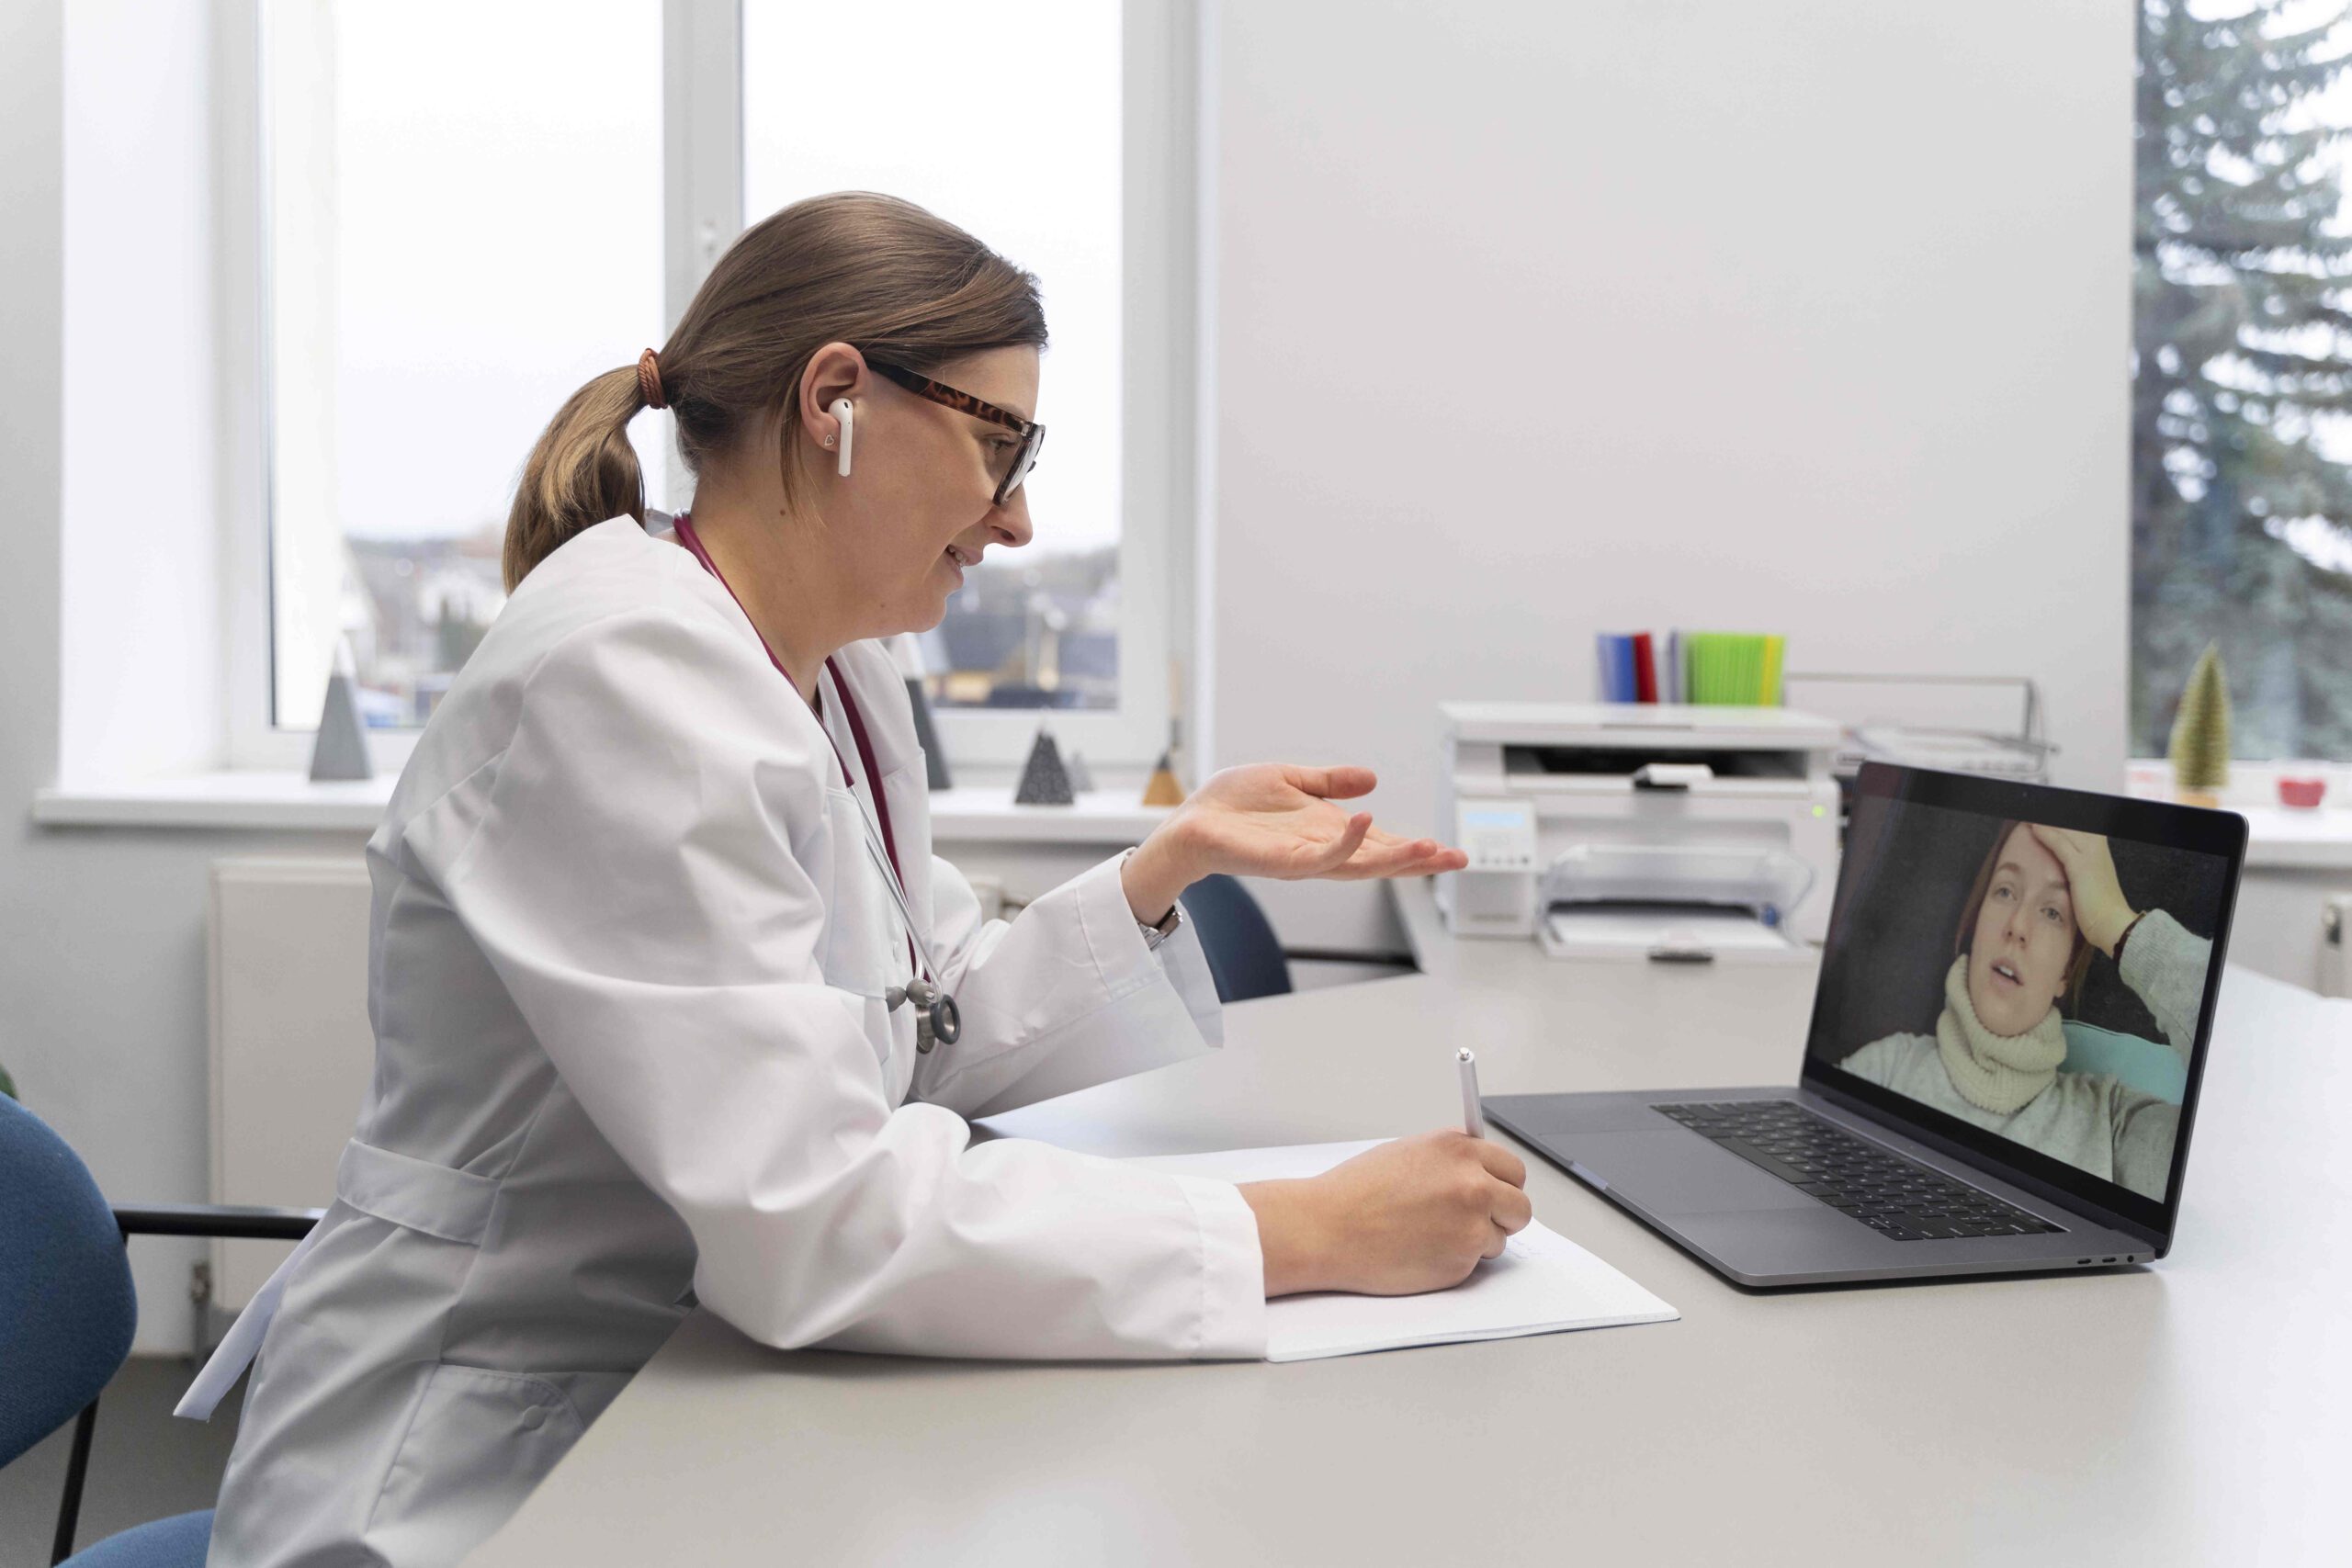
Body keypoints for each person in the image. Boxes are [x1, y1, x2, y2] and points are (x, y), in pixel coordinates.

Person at [189, 193, 1525, 1566]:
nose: (1015, 519)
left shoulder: (834, 668)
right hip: (478, 1465)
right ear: (835, 397)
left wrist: (1160, 865)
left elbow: (911, 1024)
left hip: (687, 1386)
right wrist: (1299, 1227)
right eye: (997, 444)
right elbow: (809, 1211)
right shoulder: (621, 673)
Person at [1836, 818, 2211, 1201]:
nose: (2016, 926)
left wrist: (2122, 929)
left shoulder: (2115, 1129)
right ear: (1976, 921)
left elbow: (2251, 1096)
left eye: (2052, 913)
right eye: (2004, 891)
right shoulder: (1886, 1071)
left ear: (2065, 971)